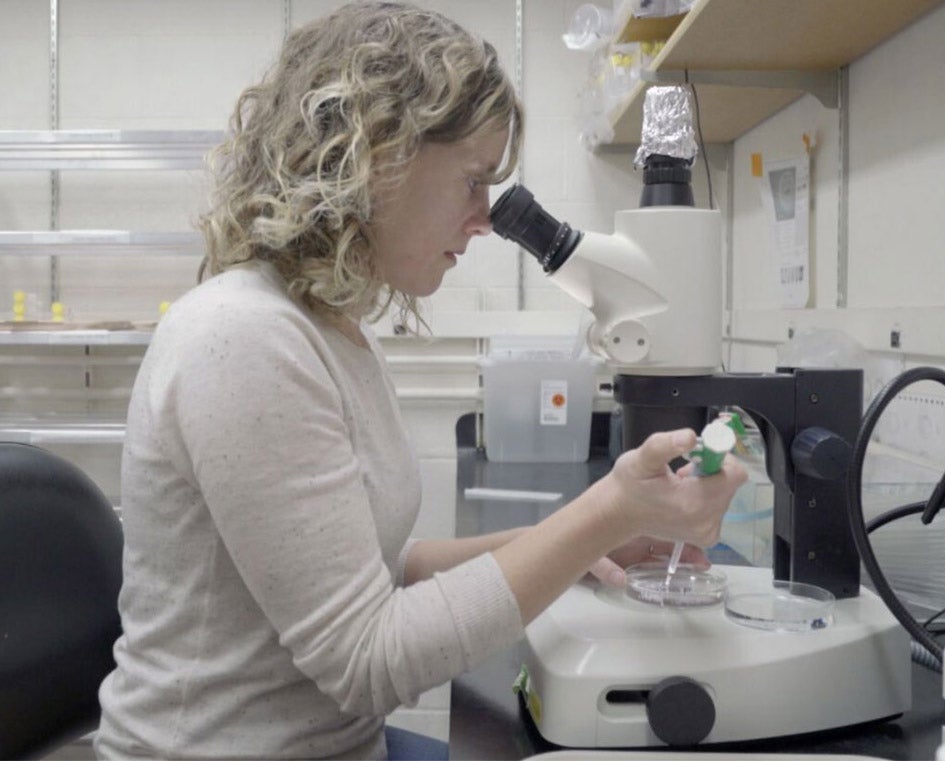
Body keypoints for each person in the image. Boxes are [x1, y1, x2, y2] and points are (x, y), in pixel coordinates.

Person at [94, 2, 747, 759]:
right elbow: (367, 660)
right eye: (473, 181)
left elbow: (375, 571)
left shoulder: (329, 328)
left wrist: (591, 544)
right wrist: (602, 512)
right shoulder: (244, 339)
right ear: (373, 157)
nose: (484, 219)